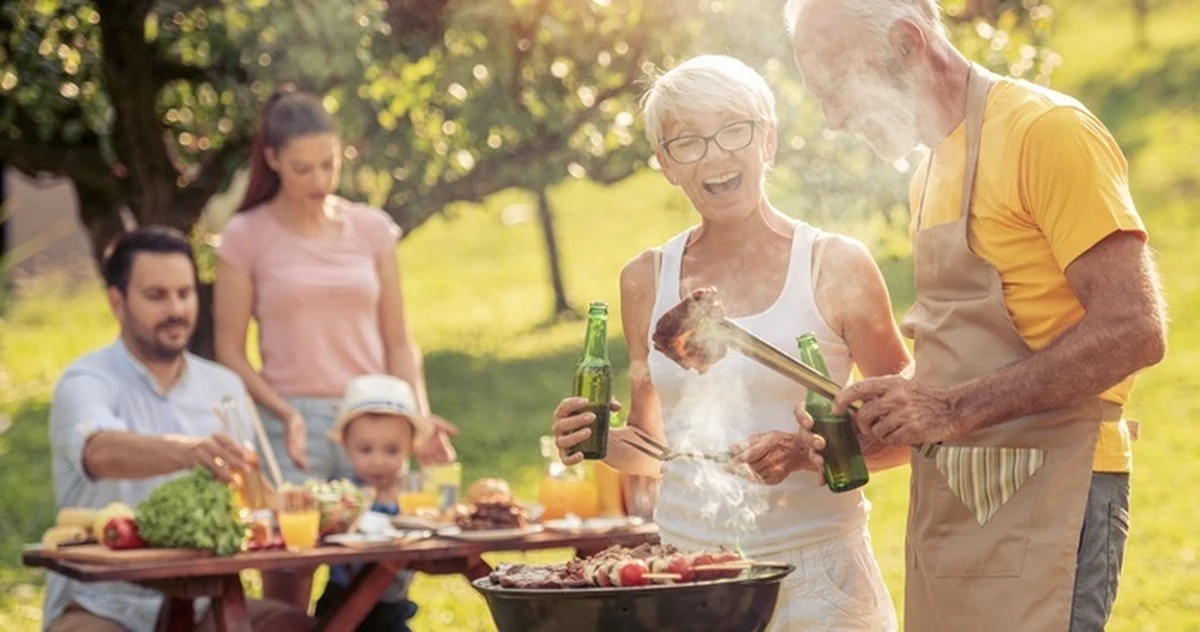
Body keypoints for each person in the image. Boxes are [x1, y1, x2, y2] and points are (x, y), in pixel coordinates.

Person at [783, 1, 1168, 630]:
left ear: (908, 44)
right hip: (958, 500)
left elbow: (1135, 328)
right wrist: (886, 416)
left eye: (837, 89)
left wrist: (950, 409)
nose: (830, 120)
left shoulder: (1047, 131)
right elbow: (971, 362)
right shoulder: (929, 170)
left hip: (1059, 488)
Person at [551, 54, 911, 631]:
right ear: (666, 165)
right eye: (686, 142)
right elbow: (658, 449)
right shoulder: (646, 278)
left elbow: (910, 430)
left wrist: (803, 455)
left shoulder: (834, 266)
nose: (715, 154)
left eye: (732, 130)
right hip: (690, 575)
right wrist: (594, 441)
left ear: (767, 140)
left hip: (819, 579)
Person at [212, 85, 457, 605]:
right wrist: (283, 413)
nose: (319, 181)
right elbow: (230, 351)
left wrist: (419, 420)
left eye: (329, 164)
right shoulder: (244, 236)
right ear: (273, 159)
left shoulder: (371, 230)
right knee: (288, 584)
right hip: (290, 426)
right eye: (304, 168)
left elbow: (398, 339)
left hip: (376, 421)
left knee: (382, 581)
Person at [43, 227, 312, 632]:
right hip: (102, 604)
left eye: (185, 294)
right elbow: (99, 450)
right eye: (157, 296)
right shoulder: (85, 380)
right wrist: (189, 452)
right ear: (117, 302)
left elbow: (249, 502)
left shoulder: (224, 387)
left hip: (208, 603)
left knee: (302, 628)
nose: (176, 309)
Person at [314, 374, 433, 632]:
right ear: (346, 445)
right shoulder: (341, 497)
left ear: (411, 447)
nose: (378, 461)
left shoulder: (413, 497)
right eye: (366, 449)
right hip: (342, 602)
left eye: (391, 450)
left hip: (392, 607)